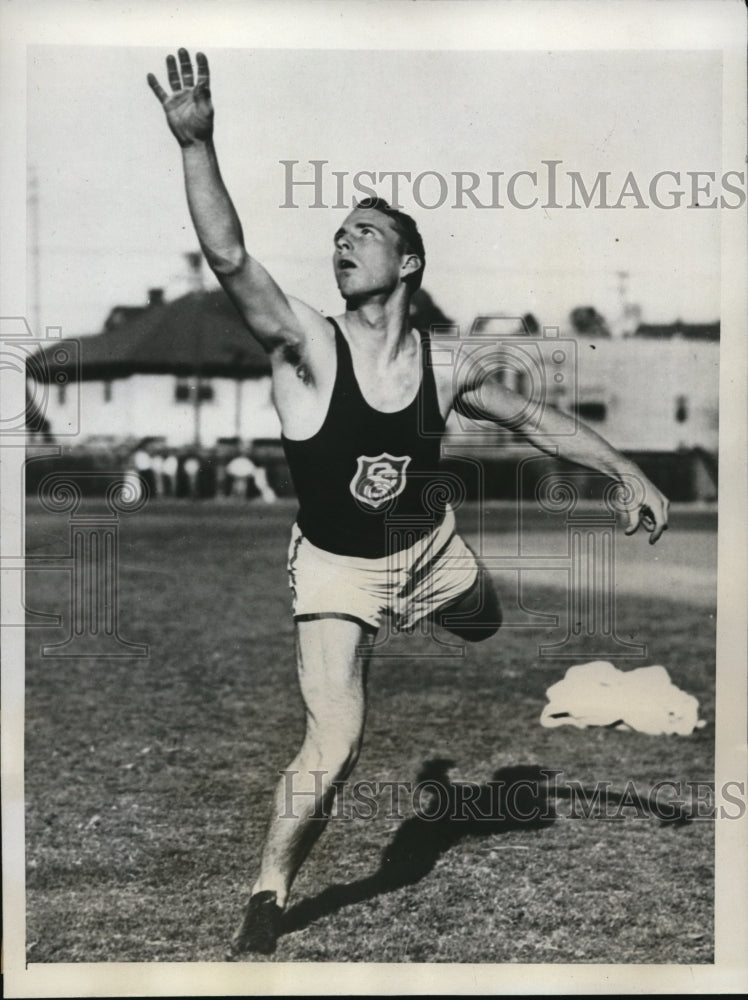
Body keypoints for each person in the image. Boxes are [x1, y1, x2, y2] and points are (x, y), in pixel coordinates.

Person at [147, 49, 669, 956]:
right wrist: (197, 144)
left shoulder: (446, 360)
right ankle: (268, 896)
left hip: (430, 550)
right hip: (338, 568)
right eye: (337, 236)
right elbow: (229, 256)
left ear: (409, 260)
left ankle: (455, 614)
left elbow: (538, 419)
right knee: (335, 744)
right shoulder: (306, 343)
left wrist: (628, 471)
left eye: (362, 233)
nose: (341, 244)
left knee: (484, 620)